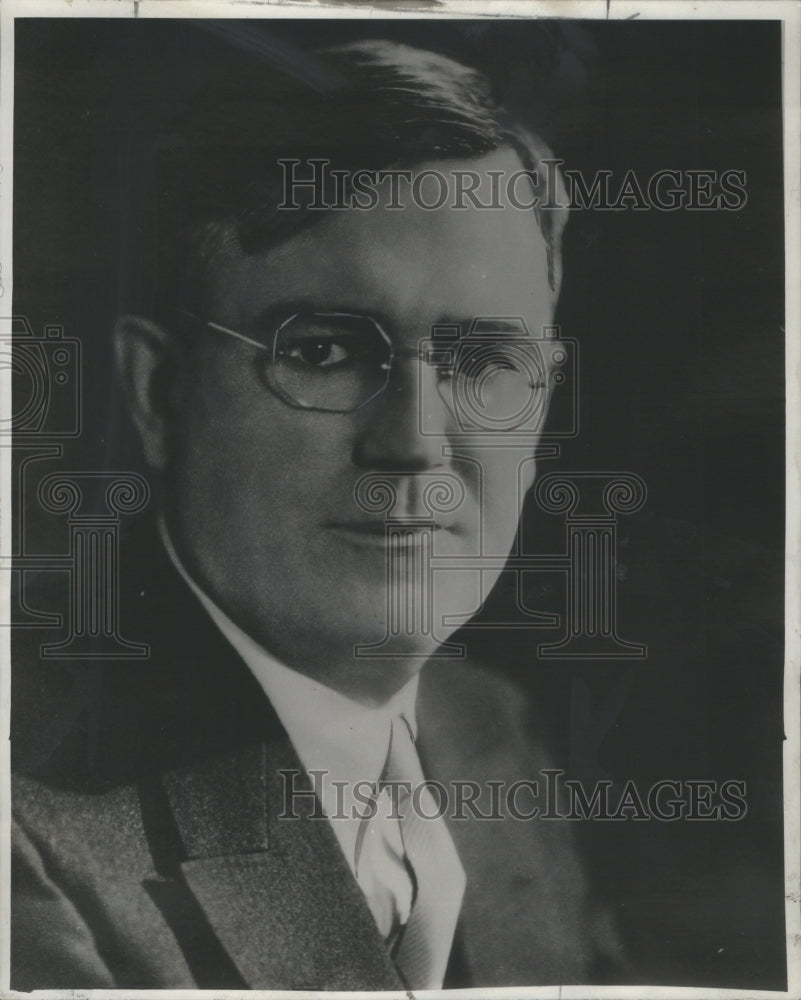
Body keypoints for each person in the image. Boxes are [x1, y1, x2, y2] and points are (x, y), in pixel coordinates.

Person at [10, 37, 626, 990]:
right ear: (160, 392)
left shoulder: (484, 731)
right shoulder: (30, 827)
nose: (415, 442)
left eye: (480, 362)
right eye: (328, 352)